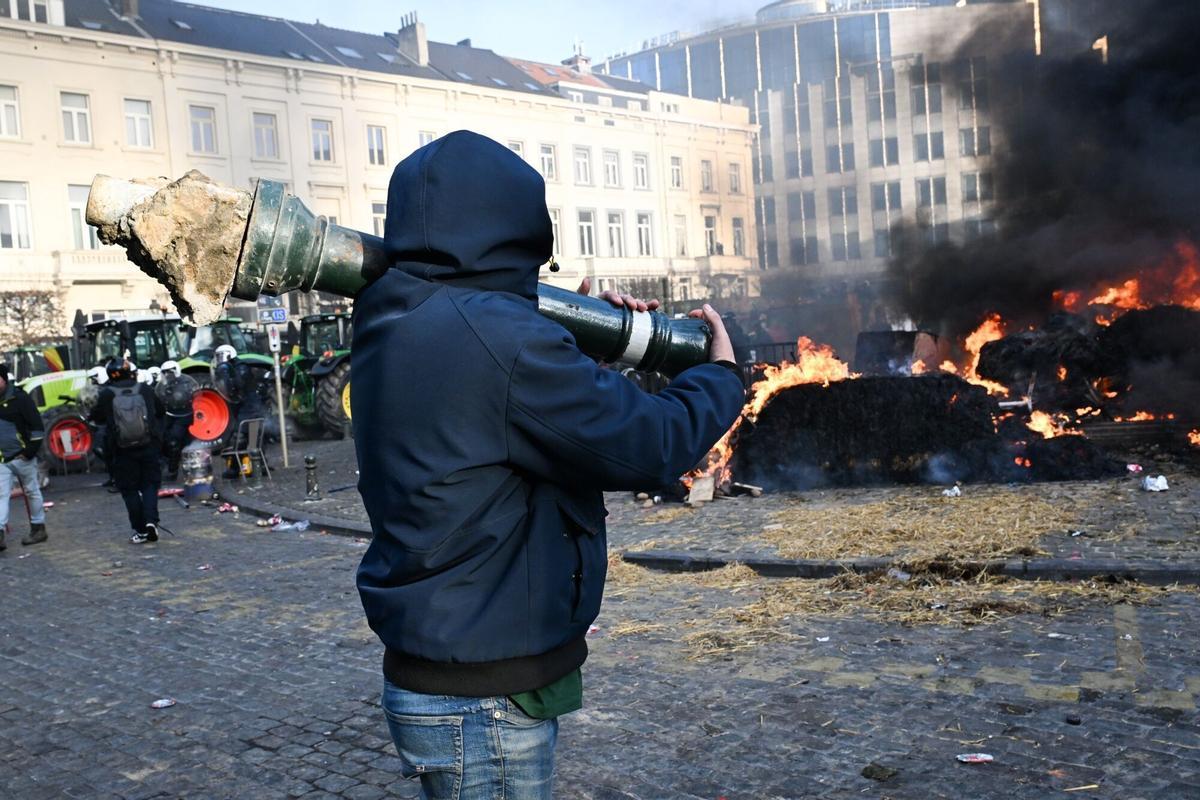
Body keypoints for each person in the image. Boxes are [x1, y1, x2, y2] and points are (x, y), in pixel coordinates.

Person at [353, 131, 745, 798]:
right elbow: (649, 444)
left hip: (444, 668)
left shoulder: (398, 313)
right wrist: (723, 374)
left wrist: (573, 357)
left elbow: (498, 424)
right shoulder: (501, 338)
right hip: (484, 695)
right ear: (515, 227)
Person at [91, 356, 165, 544]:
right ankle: (151, 522)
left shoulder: (107, 394)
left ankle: (140, 530)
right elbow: (160, 410)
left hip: (122, 450)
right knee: (150, 485)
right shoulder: (145, 389)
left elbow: (97, 417)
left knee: (129, 490)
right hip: (148, 445)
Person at [0, 362, 47, 548]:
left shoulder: (21, 399)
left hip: (22, 457)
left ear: (4, 379)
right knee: (1, 495)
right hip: (2, 460)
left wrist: (28, 452)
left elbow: (37, 427)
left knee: (32, 491)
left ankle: (38, 528)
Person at [156, 360, 197, 481]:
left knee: (175, 442)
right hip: (170, 414)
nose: (168, 375)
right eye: (165, 373)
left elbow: (193, 395)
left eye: (170, 372)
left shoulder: (186, 383)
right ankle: (170, 467)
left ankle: (173, 470)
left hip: (184, 415)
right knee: (167, 440)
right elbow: (160, 397)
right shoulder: (163, 385)